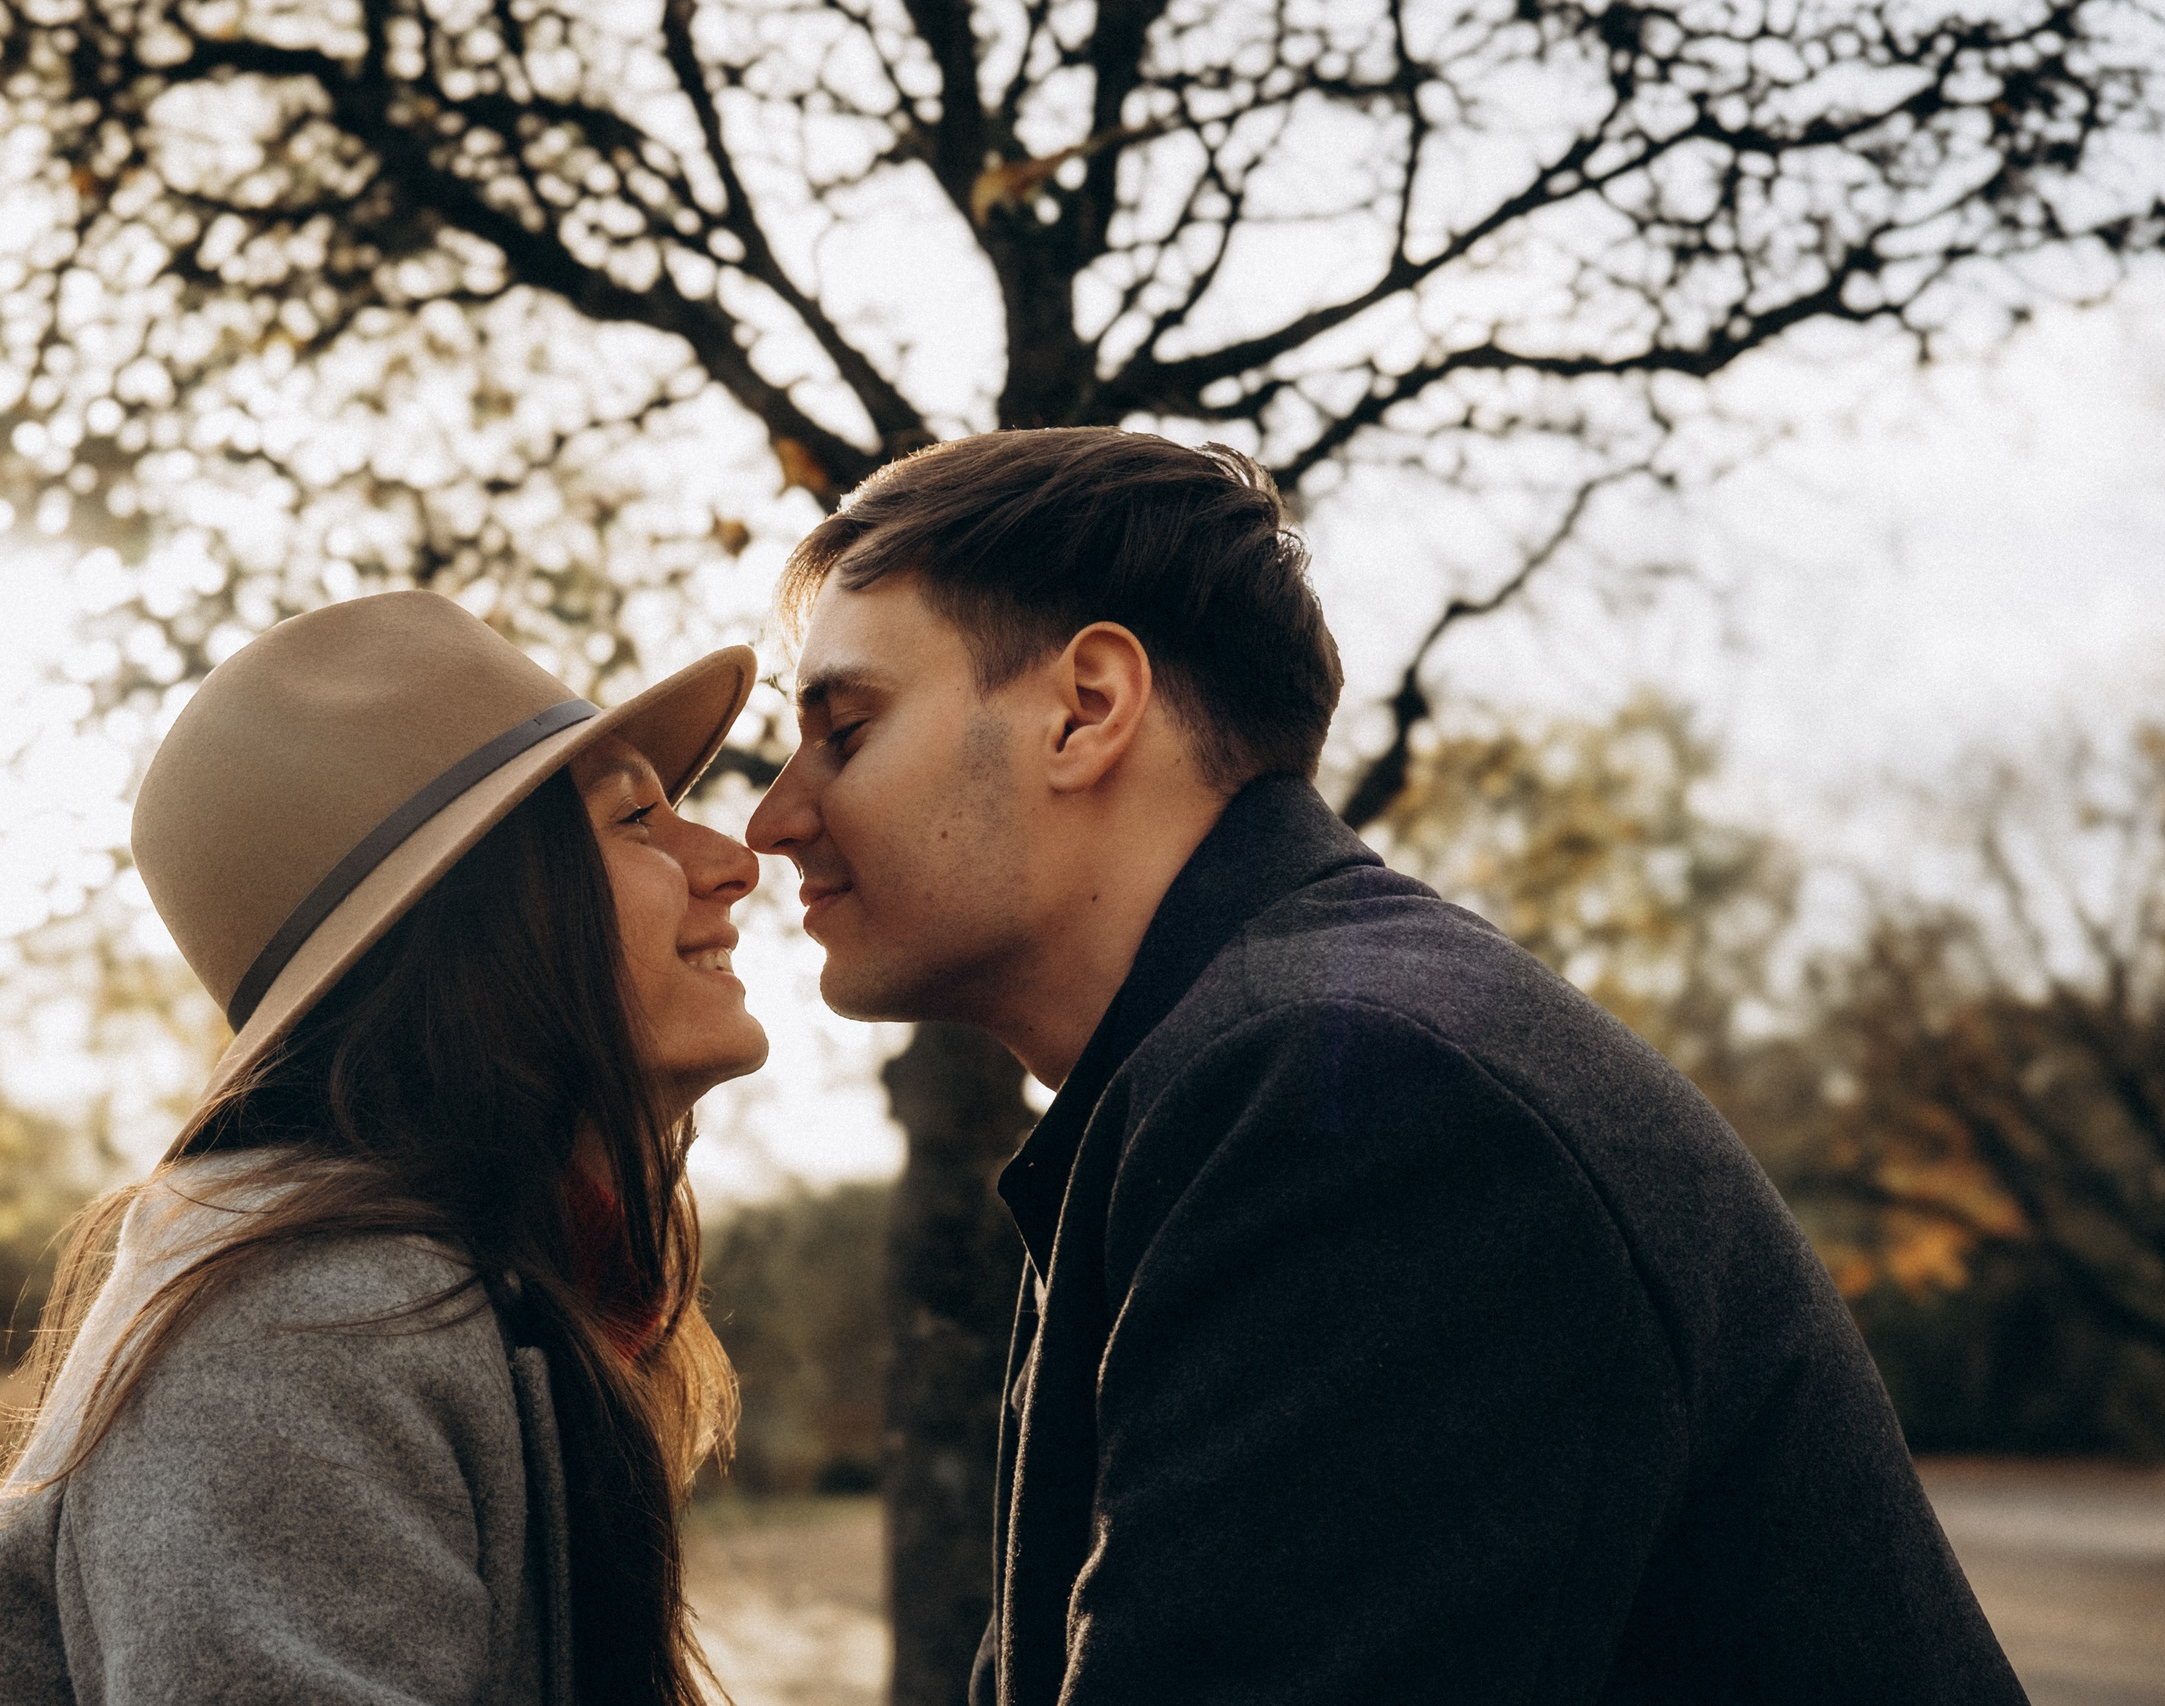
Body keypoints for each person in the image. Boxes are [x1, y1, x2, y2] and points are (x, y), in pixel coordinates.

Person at [744, 428, 2026, 1706]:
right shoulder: (1236, 1077)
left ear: (1085, 708)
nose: (773, 815)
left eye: (845, 730)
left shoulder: (1346, 1103)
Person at [0, 590, 766, 1706]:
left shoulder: (509, 1296)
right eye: (635, 821)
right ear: (476, 924)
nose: (735, 860)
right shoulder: (309, 1322)